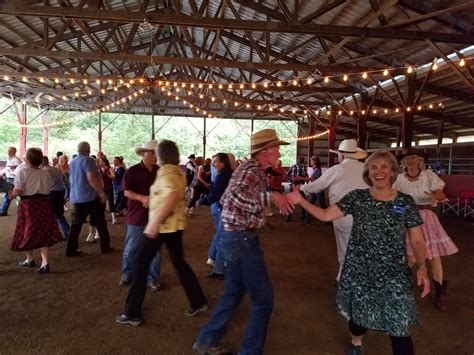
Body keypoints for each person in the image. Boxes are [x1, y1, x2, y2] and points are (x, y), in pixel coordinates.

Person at [287, 150, 430, 355]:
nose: (378, 171)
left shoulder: (405, 202)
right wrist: (301, 201)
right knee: (358, 320)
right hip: (360, 270)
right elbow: (327, 215)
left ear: (392, 172)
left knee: (399, 326)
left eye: (384, 167)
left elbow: (417, 239)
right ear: (368, 172)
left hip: (394, 273)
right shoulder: (357, 198)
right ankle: (356, 342)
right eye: (373, 167)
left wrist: (423, 267)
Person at [192, 129, 294, 355]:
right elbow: (233, 197)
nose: (279, 151)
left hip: (233, 236)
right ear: (265, 151)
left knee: (235, 290)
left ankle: (207, 340)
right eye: (276, 147)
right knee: (263, 299)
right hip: (241, 238)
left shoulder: (251, 169)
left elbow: (235, 197)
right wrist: (272, 196)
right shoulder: (252, 170)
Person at [116, 140, 207, 326]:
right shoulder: (178, 171)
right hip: (175, 225)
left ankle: (132, 312)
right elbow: (173, 194)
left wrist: (154, 223)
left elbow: (172, 195)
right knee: (179, 263)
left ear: (160, 154)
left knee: (141, 265)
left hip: (162, 226)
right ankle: (198, 300)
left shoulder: (165, 172)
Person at [393, 148, 458, 311]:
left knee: (434, 257)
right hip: (408, 217)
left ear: (420, 160)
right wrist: (399, 216)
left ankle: (440, 292)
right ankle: (402, 290)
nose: (410, 160)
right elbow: (395, 200)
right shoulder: (399, 178)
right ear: (403, 161)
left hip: (427, 218)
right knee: (410, 257)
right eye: (407, 158)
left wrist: (438, 196)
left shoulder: (429, 176)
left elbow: (440, 194)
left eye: (413, 157)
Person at [300, 139, 368, 280]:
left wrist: (302, 188)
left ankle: (344, 277)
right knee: (362, 248)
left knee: (344, 248)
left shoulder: (337, 170)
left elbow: (317, 186)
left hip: (342, 215)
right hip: (366, 216)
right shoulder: (366, 169)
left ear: (342, 156)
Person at [11, 148, 62, 274]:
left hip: (28, 204)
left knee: (26, 230)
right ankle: (45, 262)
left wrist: (11, 194)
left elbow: (18, 190)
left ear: (27, 159)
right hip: (44, 203)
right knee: (44, 230)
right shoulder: (45, 173)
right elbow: (49, 187)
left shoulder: (23, 172)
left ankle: (30, 259)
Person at [119, 140, 162, 291]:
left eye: (156, 153)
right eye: (152, 153)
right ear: (144, 153)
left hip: (155, 216)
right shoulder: (132, 171)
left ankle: (153, 278)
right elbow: (126, 191)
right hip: (136, 216)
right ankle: (127, 274)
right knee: (131, 249)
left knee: (155, 251)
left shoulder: (160, 172)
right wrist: (142, 198)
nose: (154, 156)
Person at [66, 141, 112, 257]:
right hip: (90, 197)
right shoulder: (88, 160)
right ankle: (105, 247)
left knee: (76, 225)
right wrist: (101, 192)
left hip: (77, 197)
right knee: (100, 222)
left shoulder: (73, 162)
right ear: (89, 150)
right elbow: (91, 177)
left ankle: (71, 250)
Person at [198, 153, 233, 280]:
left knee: (221, 236)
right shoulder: (226, 174)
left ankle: (215, 263)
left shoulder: (223, 175)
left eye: (216, 162)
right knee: (221, 236)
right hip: (223, 208)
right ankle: (217, 264)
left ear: (223, 162)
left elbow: (215, 194)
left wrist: (203, 201)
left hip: (221, 207)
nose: (213, 164)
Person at [42, 156, 70, 239]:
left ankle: (67, 232)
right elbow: (64, 179)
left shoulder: (44, 171)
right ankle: (64, 232)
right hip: (60, 192)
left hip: (53, 193)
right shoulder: (55, 169)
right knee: (58, 214)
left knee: (56, 215)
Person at [286, 155, 310, 222]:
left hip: (293, 185)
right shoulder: (304, 167)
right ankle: (303, 215)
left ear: (297, 160)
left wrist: (291, 180)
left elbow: (288, 175)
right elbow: (305, 176)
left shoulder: (292, 166)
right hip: (300, 186)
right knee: (302, 200)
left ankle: (289, 216)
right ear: (303, 160)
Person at [0, 146, 22, 216]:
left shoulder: (16, 159)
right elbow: (7, 168)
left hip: (13, 178)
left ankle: (3, 210)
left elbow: (18, 168)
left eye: (10, 151)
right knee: (10, 194)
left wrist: (11, 168)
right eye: (8, 151)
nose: (8, 152)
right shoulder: (9, 159)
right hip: (9, 177)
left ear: (14, 152)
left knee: (9, 194)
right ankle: (3, 209)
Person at [112, 156, 127, 222]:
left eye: (115, 160)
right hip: (117, 185)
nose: (114, 162)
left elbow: (118, 177)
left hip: (120, 186)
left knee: (120, 198)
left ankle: (118, 210)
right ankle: (120, 210)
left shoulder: (121, 169)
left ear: (118, 161)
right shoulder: (117, 168)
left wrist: (112, 175)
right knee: (119, 198)